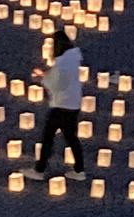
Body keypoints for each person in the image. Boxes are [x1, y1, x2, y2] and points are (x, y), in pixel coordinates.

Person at [23, 31, 86, 182]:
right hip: (73, 103)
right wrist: (44, 76)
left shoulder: (64, 63)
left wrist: (44, 80)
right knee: (71, 137)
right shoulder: (71, 59)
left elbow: (60, 84)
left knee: (48, 137)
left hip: (62, 105)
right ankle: (79, 170)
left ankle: (39, 170)